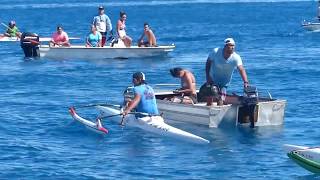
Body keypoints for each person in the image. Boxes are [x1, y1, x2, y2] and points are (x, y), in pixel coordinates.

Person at [205, 38, 249, 106]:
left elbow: (241, 69)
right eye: (229, 46)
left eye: (233, 46)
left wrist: (245, 82)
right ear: (225, 46)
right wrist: (208, 77)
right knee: (210, 99)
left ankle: (219, 113)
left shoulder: (236, 57)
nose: (231, 47)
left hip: (224, 83)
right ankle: (207, 113)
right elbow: (208, 63)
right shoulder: (216, 51)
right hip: (212, 80)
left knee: (220, 99)